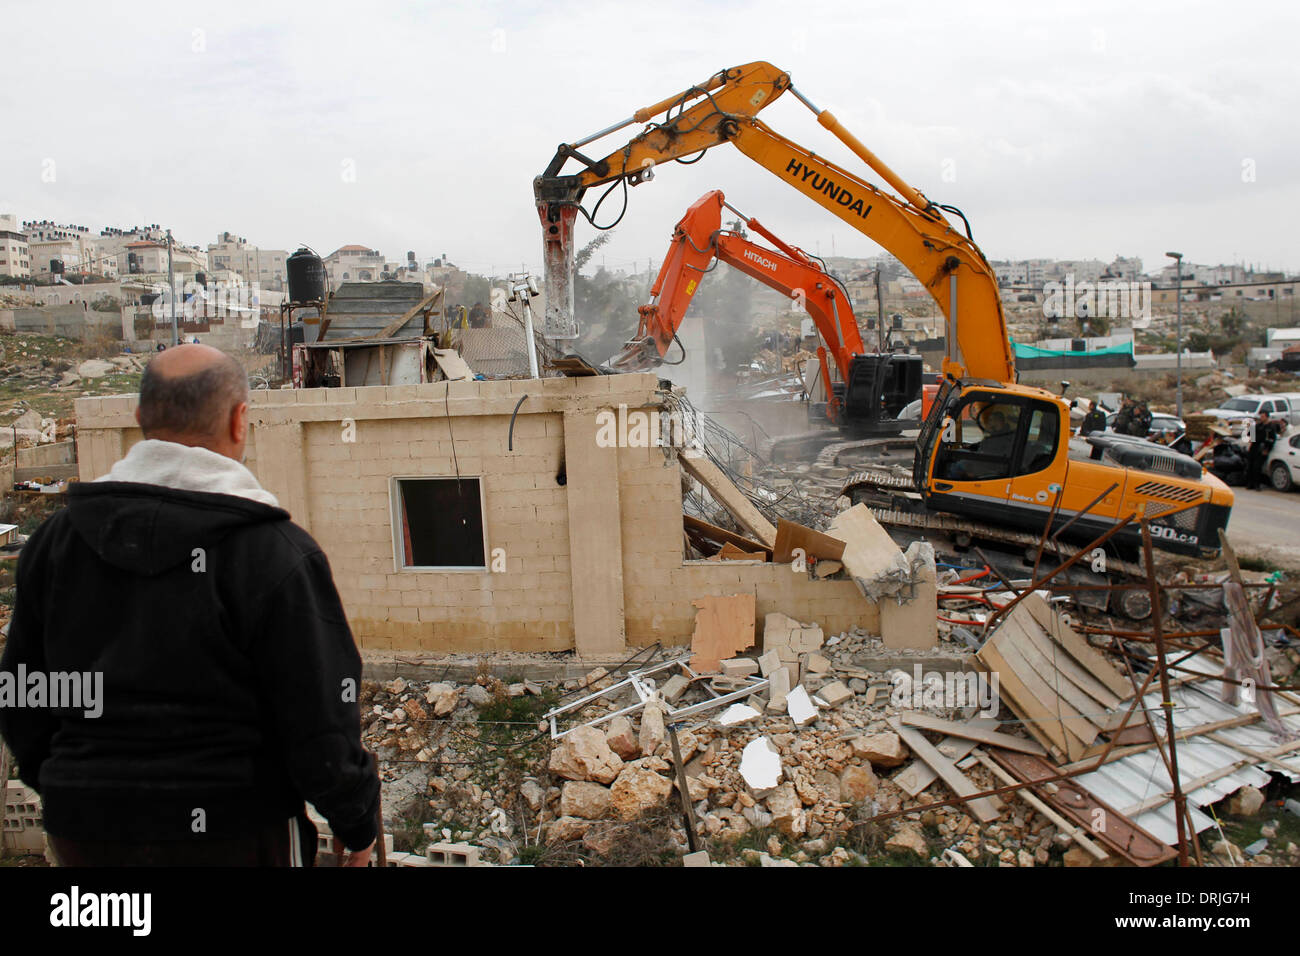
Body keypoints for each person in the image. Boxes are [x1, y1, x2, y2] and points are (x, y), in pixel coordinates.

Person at [0, 344, 378, 866]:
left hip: (87, 832)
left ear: (140, 419)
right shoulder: (275, 553)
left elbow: (23, 693)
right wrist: (355, 823)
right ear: (240, 420)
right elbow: (318, 720)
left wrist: (72, 784)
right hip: (236, 833)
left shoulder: (57, 542)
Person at [1246, 410, 1280, 490]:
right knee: (1250, 466)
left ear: (1267, 417)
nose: (1261, 418)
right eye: (1260, 416)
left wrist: (1267, 449)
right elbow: (1250, 434)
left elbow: (1272, 440)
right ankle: (1250, 484)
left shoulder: (1270, 427)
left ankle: (1257, 484)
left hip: (1262, 448)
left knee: (1257, 467)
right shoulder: (1258, 426)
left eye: (1263, 416)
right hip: (1254, 447)